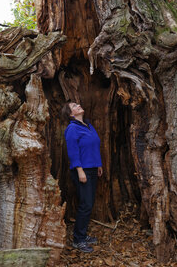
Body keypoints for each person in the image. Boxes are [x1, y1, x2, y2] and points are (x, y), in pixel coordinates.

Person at [62, 101, 103, 253]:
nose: (78, 105)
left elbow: (94, 146)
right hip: (82, 170)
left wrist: (98, 165)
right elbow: (73, 152)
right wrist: (80, 170)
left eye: (78, 104)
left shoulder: (88, 125)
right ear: (71, 114)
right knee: (85, 205)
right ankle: (78, 240)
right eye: (74, 106)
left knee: (89, 203)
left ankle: (83, 235)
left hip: (92, 169)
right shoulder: (72, 128)